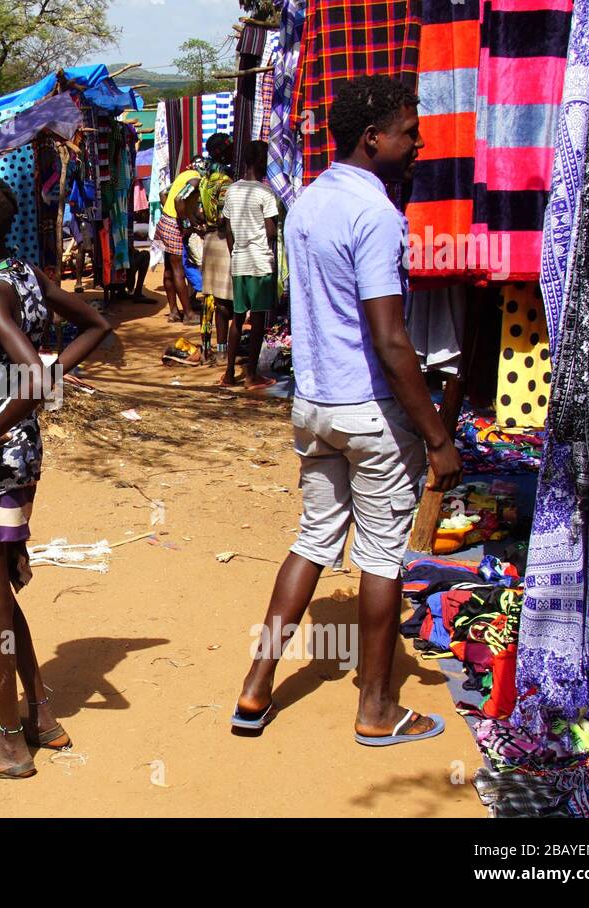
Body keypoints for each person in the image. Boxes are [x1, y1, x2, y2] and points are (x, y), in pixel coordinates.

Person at [232, 76, 464, 746]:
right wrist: (437, 437)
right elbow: (392, 341)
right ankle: (375, 709)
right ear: (374, 137)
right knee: (383, 560)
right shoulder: (377, 216)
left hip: (314, 407)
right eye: (410, 132)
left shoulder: (307, 202)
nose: (418, 145)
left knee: (311, 542)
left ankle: (255, 687)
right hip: (371, 413)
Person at [0, 170, 111, 778]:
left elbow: (35, 376)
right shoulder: (25, 277)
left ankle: (10, 746)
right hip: (17, 453)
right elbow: (98, 327)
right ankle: (40, 717)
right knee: (0, 590)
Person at [222, 140, 280, 390]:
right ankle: (251, 375)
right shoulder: (264, 193)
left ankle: (228, 373)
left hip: (239, 261)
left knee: (237, 319)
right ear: (261, 162)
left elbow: (228, 230)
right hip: (258, 263)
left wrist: (235, 253)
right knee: (257, 320)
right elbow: (270, 231)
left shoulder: (232, 190)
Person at [197, 134, 235, 365]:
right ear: (221, 152)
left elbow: (195, 210)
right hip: (223, 242)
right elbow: (224, 219)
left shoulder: (205, 179)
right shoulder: (225, 183)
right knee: (224, 301)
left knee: (210, 299)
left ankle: (208, 348)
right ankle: (222, 351)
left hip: (209, 241)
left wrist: (199, 224)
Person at [153, 166, 201, 324]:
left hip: (163, 223)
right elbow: (179, 199)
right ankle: (188, 314)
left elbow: (163, 194)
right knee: (178, 271)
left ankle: (174, 312)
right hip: (173, 226)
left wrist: (171, 214)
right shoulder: (195, 180)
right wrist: (185, 223)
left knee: (168, 270)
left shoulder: (184, 175)